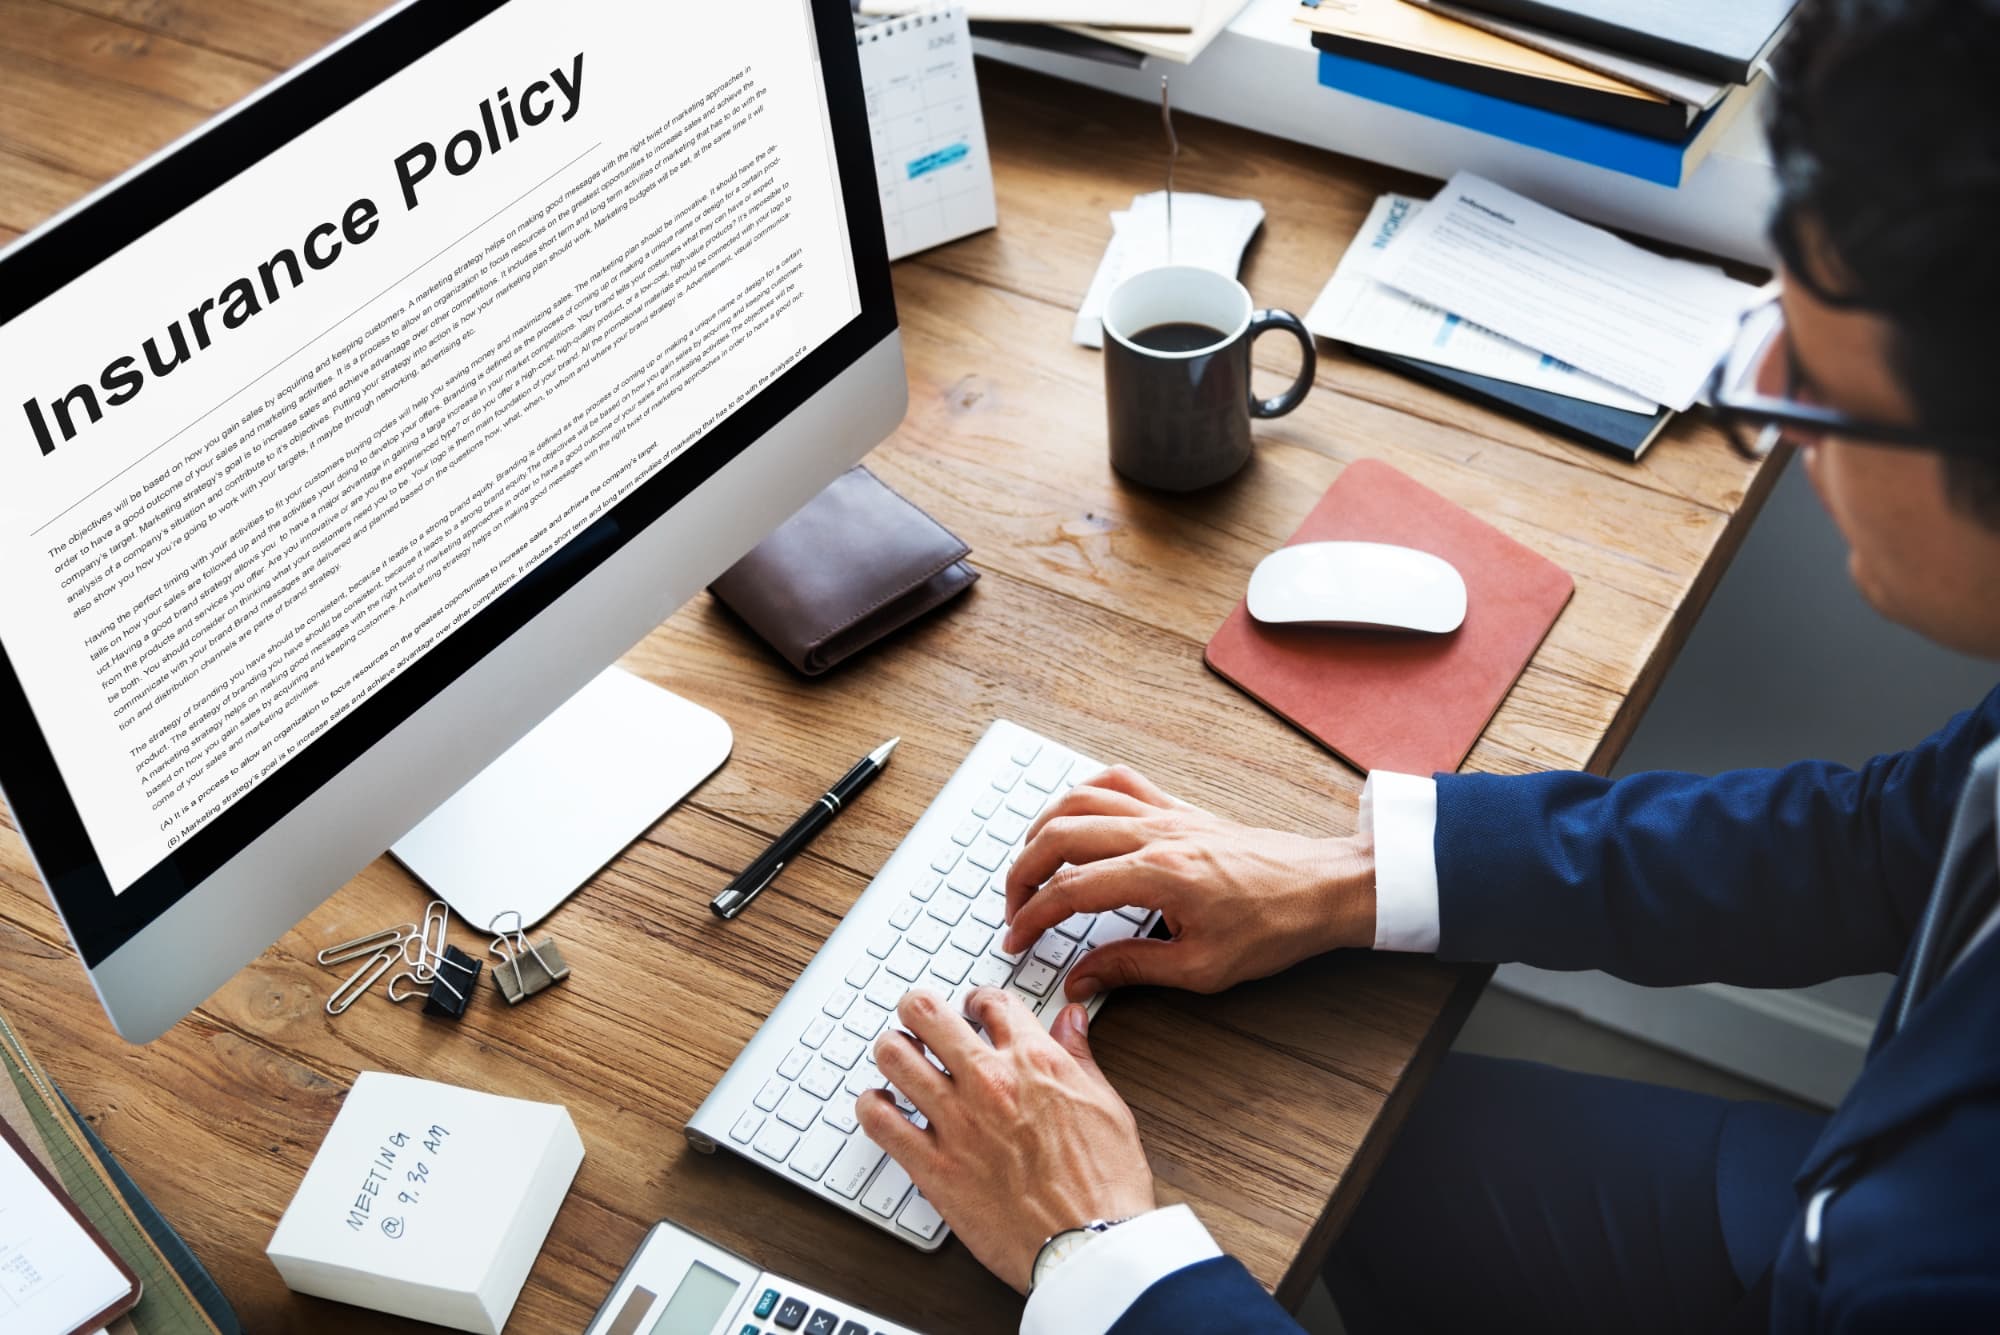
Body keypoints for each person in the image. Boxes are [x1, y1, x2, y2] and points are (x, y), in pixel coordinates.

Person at [850, 0, 2000, 1330]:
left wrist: (1100, 1251)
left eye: (1815, 391)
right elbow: (1885, 843)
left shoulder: (1942, 1280)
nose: (1779, 436)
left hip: (1856, 1263)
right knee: (1376, 1168)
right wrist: (1354, 876)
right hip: (1837, 1202)